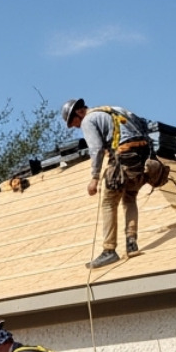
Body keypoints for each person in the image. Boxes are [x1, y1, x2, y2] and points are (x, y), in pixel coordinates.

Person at [62, 98, 152, 269]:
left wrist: (94, 177)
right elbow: (142, 125)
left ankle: (109, 250)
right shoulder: (115, 109)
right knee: (130, 197)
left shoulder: (88, 120)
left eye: (73, 122)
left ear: (79, 112)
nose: (75, 127)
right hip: (140, 158)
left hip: (124, 157)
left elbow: (95, 149)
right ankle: (131, 244)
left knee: (109, 202)